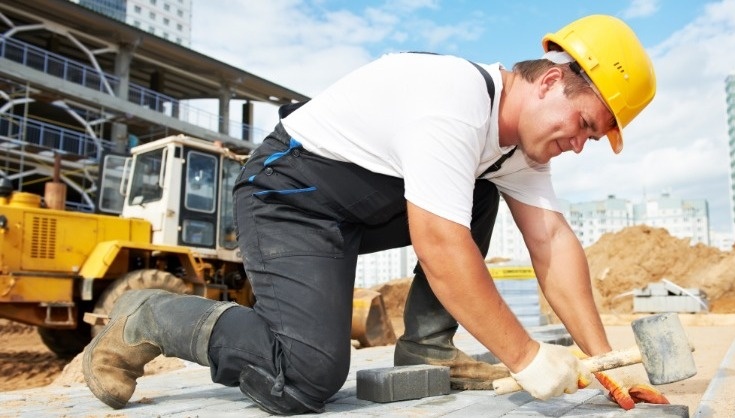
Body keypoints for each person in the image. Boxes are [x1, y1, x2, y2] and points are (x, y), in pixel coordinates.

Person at [83, 14, 662, 414]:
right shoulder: (455, 99)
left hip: (356, 208)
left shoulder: (517, 150)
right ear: (553, 81)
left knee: (481, 188)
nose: (581, 144)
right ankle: (148, 315)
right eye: (585, 125)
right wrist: (527, 357)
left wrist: (605, 366)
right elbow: (438, 243)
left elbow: (554, 245)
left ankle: (428, 348)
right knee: (305, 378)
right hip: (286, 197)